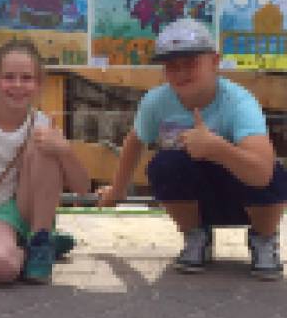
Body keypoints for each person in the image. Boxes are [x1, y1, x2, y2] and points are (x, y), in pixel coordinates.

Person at [98, 17, 287, 280]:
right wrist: (116, 191)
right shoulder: (155, 102)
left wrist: (216, 148)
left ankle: (263, 238)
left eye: (190, 62)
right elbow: (135, 140)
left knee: (273, 170)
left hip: (245, 194)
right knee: (163, 165)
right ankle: (195, 235)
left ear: (214, 61)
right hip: (196, 198)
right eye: (171, 66)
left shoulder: (240, 102)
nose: (181, 72)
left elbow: (262, 174)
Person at [0, 39, 89, 284]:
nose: (17, 86)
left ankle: (40, 238)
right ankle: (37, 250)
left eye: (26, 78)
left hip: (31, 210)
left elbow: (82, 189)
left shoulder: (42, 122)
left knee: (43, 143)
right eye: (9, 77)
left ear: (38, 84)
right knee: (0, 268)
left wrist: (65, 150)